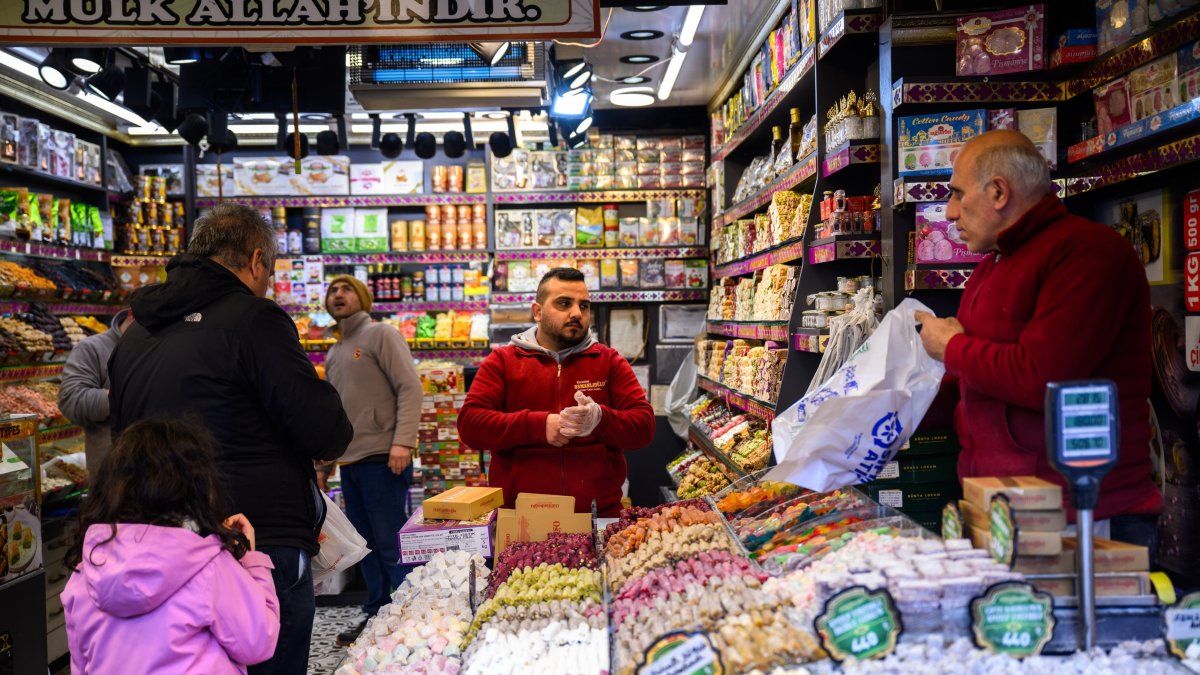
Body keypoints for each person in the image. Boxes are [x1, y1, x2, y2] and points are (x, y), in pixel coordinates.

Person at [108, 202, 353, 674]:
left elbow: (123, 434)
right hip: (252, 540)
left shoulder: (136, 334)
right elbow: (322, 429)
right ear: (256, 260)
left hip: (156, 544)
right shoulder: (254, 319)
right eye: (269, 272)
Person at [915, 130, 1162, 549]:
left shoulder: (1088, 253)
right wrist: (885, 418)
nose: (951, 212)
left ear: (998, 192)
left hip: (1081, 516)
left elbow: (1043, 375)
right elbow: (974, 382)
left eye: (957, 194)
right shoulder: (991, 266)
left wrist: (952, 348)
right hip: (1001, 506)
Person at [63, 418, 280, 675]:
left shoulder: (84, 575)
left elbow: (81, 667)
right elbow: (258, 642)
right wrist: (251, 561)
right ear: (195, 488)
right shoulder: (208, 566)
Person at [458, 267, 655, 517]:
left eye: (583, 306)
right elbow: (470, 425)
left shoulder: (608, 361)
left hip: (598, 516)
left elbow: (644, 427)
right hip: (521, 519)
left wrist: (599, 420)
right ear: (537, 312)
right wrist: (538, 426)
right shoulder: (503, 361)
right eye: (564, 303)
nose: (576, 313)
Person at [322, 275, 422, 646]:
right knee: (363, 542)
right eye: (333, 290)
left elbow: (410, 387)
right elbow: (335, 411)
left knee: (389, 540)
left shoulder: (382, 335)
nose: (339, 294)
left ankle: (408, 612)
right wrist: (325, 461)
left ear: (362, 296)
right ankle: (378, 610)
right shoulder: (335, 352)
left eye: (346, 288)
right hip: (350, 461)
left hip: (384, 456)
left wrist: (403, 442)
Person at [57, 308, 133, 478]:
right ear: (132, 315)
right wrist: (125, 396)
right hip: (110, 477)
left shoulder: (161, 347)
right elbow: (71, 400)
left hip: (158, 475)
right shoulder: (92, 348)